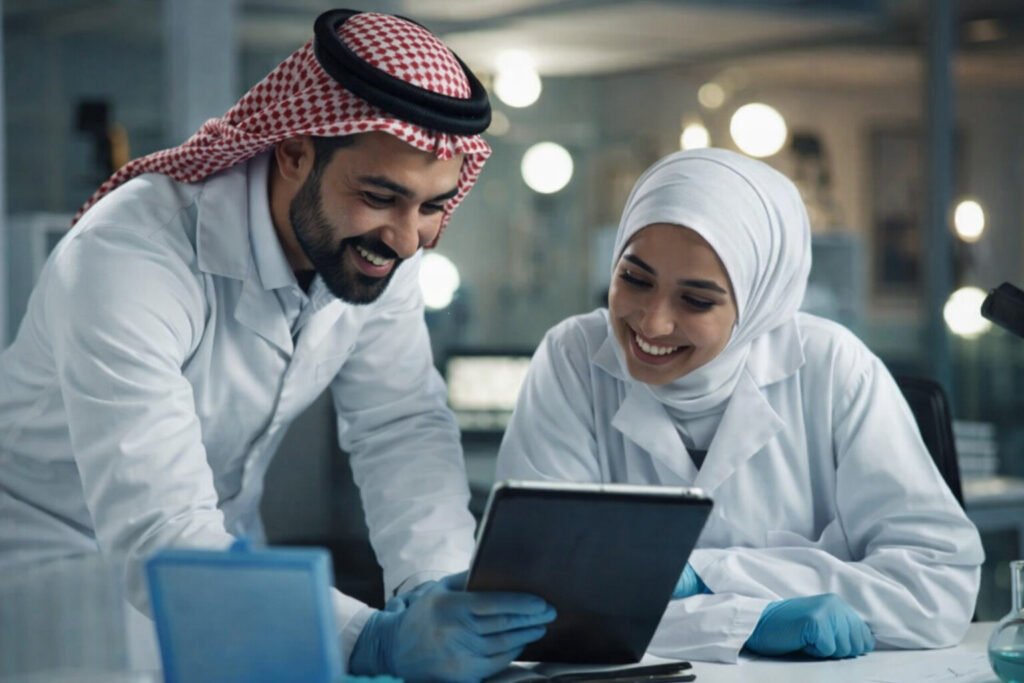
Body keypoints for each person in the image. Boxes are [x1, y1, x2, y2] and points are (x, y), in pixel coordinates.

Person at [0, 9, 554, 681]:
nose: (408, 239)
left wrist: (437, 592)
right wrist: (373, 637)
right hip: (57, 571)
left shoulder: (378, 251)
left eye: (433, 206)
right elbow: (159, 529)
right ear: (293, 152)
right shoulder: (129, 255)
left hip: (229, 562)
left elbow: (399, 424)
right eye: (381, 195)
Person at [496, 148, 984, 663]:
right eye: (635, 279)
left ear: (759, 301)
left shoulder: (833, 367)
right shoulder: (574, 358)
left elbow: (938, 585)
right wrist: (749, 620)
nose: (653, 324)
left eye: (696, 300)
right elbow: (537, 601)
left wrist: (702, 575)